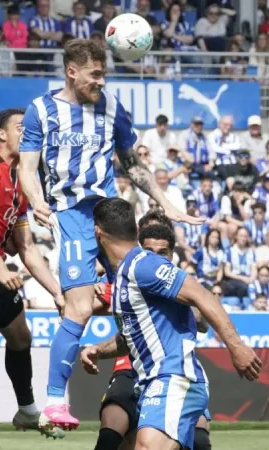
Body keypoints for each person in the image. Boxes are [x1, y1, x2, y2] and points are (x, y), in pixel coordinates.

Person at [17, 39, 202, 431]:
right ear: (72, 71)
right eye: (95, 74)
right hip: (71, 215)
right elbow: (28, 168)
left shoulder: (112, 107)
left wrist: (164, 203)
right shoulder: (41, 110)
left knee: (145, 292)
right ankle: (53, 403)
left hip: (112, 214)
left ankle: (168, 376)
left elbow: (130, 162)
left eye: (104, 73)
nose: (101, 81)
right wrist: (35, 200)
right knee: (80, 308)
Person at [81, 198, 261, 450]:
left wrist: (236, 346)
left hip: (174, 378)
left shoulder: (143, 264)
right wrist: (98, 350)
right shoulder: (124, 276)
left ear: (97, 232)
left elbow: (203, 296)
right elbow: (133, 337)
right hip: (151, 382)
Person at [0, 109, 66, 448]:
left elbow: (26, 246)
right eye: (22, 128)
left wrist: (56, 292)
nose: (28, 133)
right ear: (2, 134)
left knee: (21, 336)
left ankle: (26, 409)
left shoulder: (22, 181)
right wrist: (1, 269)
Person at [91, 222, 212, 450]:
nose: (155, 258)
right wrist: (89, 289)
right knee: (111, 437)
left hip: (171, 371)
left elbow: (203, 316)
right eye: (149, 252)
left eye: (162, 253)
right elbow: (88, 307)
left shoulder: (176, 283)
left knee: (198, 441)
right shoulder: (123, 277)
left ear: (172, 254)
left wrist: (189, 303)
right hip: (129, 370)